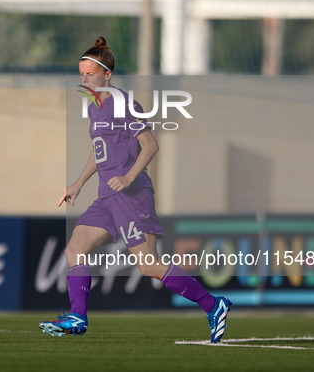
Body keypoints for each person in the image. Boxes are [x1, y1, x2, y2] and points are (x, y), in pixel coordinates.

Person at [39, 37, 231, 343]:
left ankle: (213, 304)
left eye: (90, 73)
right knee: (75, 248)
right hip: (106, 197)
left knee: (148, 264)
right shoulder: (96, 107)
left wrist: (128, 177)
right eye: (81, 73)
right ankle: (78, 316)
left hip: (131, 194)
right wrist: (78, 183)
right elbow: (98, 150)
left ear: (107, 75)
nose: (84, 79)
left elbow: (150, 144)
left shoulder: (122, 102)